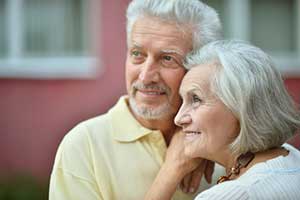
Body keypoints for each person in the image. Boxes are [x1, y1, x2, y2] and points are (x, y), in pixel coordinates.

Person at [49, 0, 224, 200]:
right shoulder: (83, 145)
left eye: (167, 58)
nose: (145, 76)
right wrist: (173, 169)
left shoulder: (223, 141)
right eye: (137, 54)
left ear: (199, 68)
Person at [144, 40, 300, 200]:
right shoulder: (291, 157)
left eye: (196, 99)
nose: (178, 119)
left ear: (240, 107)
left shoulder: (230, 195)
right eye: (183, 101)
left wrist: (170, 170)